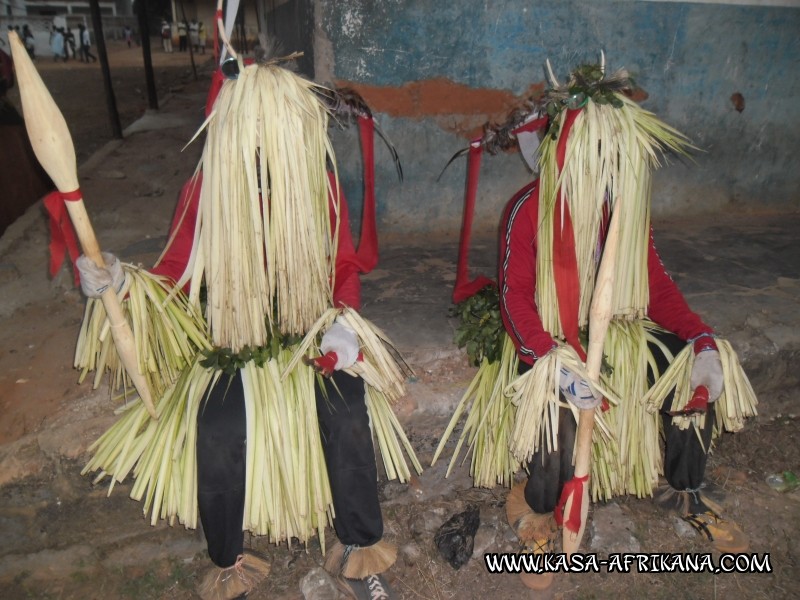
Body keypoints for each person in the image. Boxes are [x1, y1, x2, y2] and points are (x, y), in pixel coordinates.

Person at [77, 58, 409, 600]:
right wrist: (118, 282)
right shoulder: (205, 192)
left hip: (307, 341)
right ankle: (229, 566)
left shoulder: (318, 186)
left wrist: (343, 323)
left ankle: (359, 548)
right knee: (219, 432)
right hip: (232, 346)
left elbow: (342, 267)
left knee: (349, 415)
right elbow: (171, 278)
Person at [440, 58, 756, 591]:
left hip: (619, 332)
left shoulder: (625, 212)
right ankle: (540, 505)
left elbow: (655, 287)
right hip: (551, 341)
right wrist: (550, 359)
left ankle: (684, 488)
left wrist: (699, 339)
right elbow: (515, 297)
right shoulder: (527, 210)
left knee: (691, 364)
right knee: (557, 407)